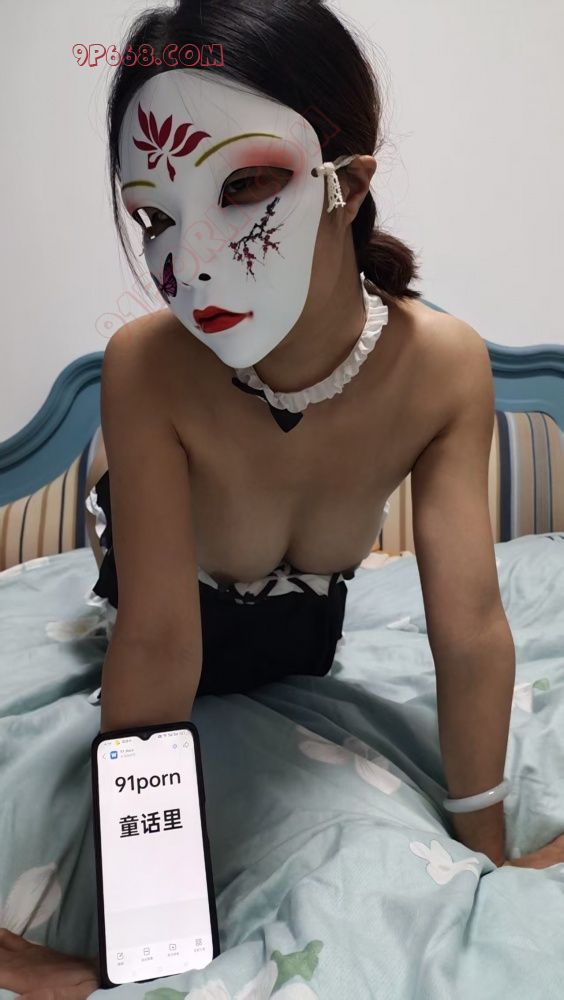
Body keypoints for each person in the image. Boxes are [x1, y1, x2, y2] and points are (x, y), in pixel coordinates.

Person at [2, 1, 564, 997]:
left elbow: (472, 626)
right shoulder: (146, 366)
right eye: (153, 215)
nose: (190, 258)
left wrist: (484, 855)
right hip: (151, 618)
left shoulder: (442, 368)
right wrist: (145, 932)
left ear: (351, 183)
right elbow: (156, 642)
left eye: (244, 184)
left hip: (305, 638)